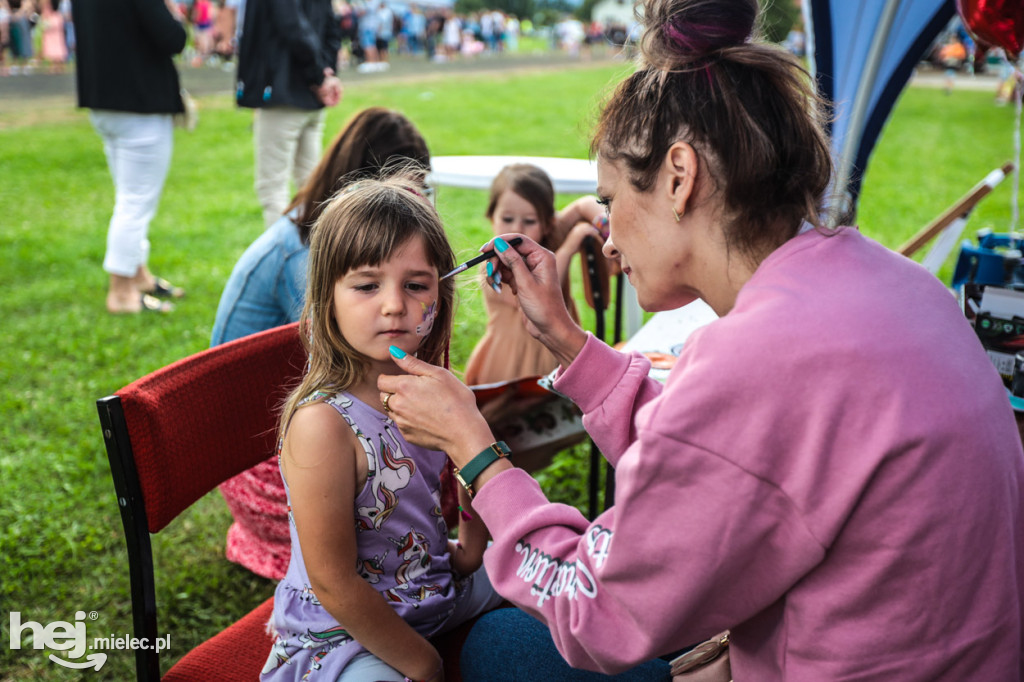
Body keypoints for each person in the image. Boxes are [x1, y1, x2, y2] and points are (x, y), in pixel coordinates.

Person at [377, 0, 1024, 678]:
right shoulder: (892, 283)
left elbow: (595, 614)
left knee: (500, 647)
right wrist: (567, 338)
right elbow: (717, 470)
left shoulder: (760, 356)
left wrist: (475, 453)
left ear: (680, 177)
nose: (608, 237)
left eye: (608, 201)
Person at [260, 173, 504, 682]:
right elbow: (331, 581)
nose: (394, 304)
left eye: (416, 286)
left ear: (440, 293)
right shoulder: (323, 425)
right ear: (328, 296)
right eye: (367, 285)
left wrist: (470, 549)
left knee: (547, 578)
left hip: (435, 589)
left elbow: (466, 474)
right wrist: (423, 662)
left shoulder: (433, 392)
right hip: (345, 632)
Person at [212, 107, 432, 581]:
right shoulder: (310, 254)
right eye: (412, 189)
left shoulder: (318, 235)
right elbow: (357, 375)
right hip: (262, 457)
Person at [73, 0, 188, 314]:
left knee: (129, 197)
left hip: (103, 99)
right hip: (139, 103)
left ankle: (138, 274)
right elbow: (172, 38)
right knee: (135, 202)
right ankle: (121, 292)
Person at [463, 163, 606, 388]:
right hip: (511, 363)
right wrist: (569, 247)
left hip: (552, 356)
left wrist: (607, 227)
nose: (518, 228)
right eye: (507, 219)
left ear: (548, 224)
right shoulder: (493, 264)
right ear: (492, 217)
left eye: (529, 221)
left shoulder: (551, 237)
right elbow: (542, 293)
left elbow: (584, 204)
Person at [235, 0, 343, 228]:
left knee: (275, 188)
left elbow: (291, 25)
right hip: (306, 94)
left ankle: (288, 261)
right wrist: (324, 74)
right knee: (313, 187)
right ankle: (318, 258)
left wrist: (321, 76)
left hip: (284, 92)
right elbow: (330, 29)